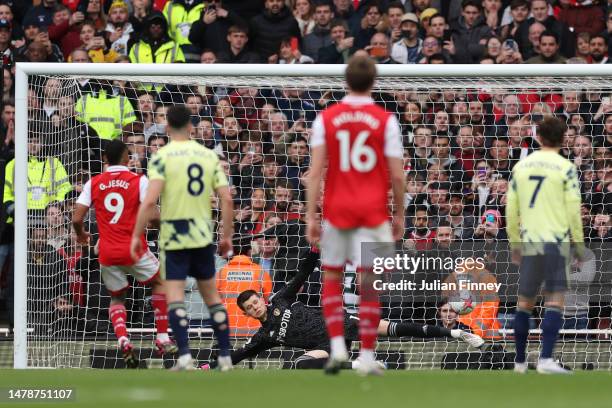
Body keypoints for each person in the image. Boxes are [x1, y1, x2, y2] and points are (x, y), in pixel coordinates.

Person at [202, 248, 484, 370]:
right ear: (249, 314)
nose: (254, 307)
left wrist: (313, 251)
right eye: (250, 308)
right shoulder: (264, 336)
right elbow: (236, 356)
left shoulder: (280, 299)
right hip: (326, 345)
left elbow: (301, 274)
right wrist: (208, 366)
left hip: (339, 324)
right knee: (300, 364)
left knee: (392, 329)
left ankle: (457, 335)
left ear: (261, 299)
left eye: (254, 301)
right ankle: (356, 364)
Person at [305, 56, 406, 375]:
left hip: (337, 210)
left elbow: (314, 172)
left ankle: (336, 347)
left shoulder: (326, 118)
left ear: (345, 82)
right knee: (369, 284)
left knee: (332, 278)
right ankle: (365, 356)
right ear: (374, 82)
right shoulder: (385, 120)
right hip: (373, 212)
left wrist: (311, 215)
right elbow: (399, 176)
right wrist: (399, 213)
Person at [130, 105, 235, 371]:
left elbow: (150, 201)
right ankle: (225, 355)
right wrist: (226, 236)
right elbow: (226, 197)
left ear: (166, 128)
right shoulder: (208, 155)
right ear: (191, 127)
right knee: (212, 298)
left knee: (174, 297)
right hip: (202, 234)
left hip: (174, 236)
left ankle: (185, 356)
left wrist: (136, 235)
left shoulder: (161, 157)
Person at [72, 140, 176, 368]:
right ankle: (161, 337)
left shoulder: (94, 182)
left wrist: (81, 235)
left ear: (104, 159)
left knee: (117, 297)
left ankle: (122, 338)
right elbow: (154, 216)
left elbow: (76, 218)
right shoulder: (139, 180)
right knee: (160, 283)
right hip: (134, 248)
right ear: (128, 159)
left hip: (107, 252)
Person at [507, 117, 584, 374]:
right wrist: (580, 246)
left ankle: (519, 362)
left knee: (524, 304)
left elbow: (510, 209)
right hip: (555, 242)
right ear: (564, 140)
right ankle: (545, 360)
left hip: (529, 242)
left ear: (538, 137)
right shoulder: (566, 168)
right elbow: (574, 212)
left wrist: (514, 242)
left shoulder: (521, 166)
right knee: (554, 301)